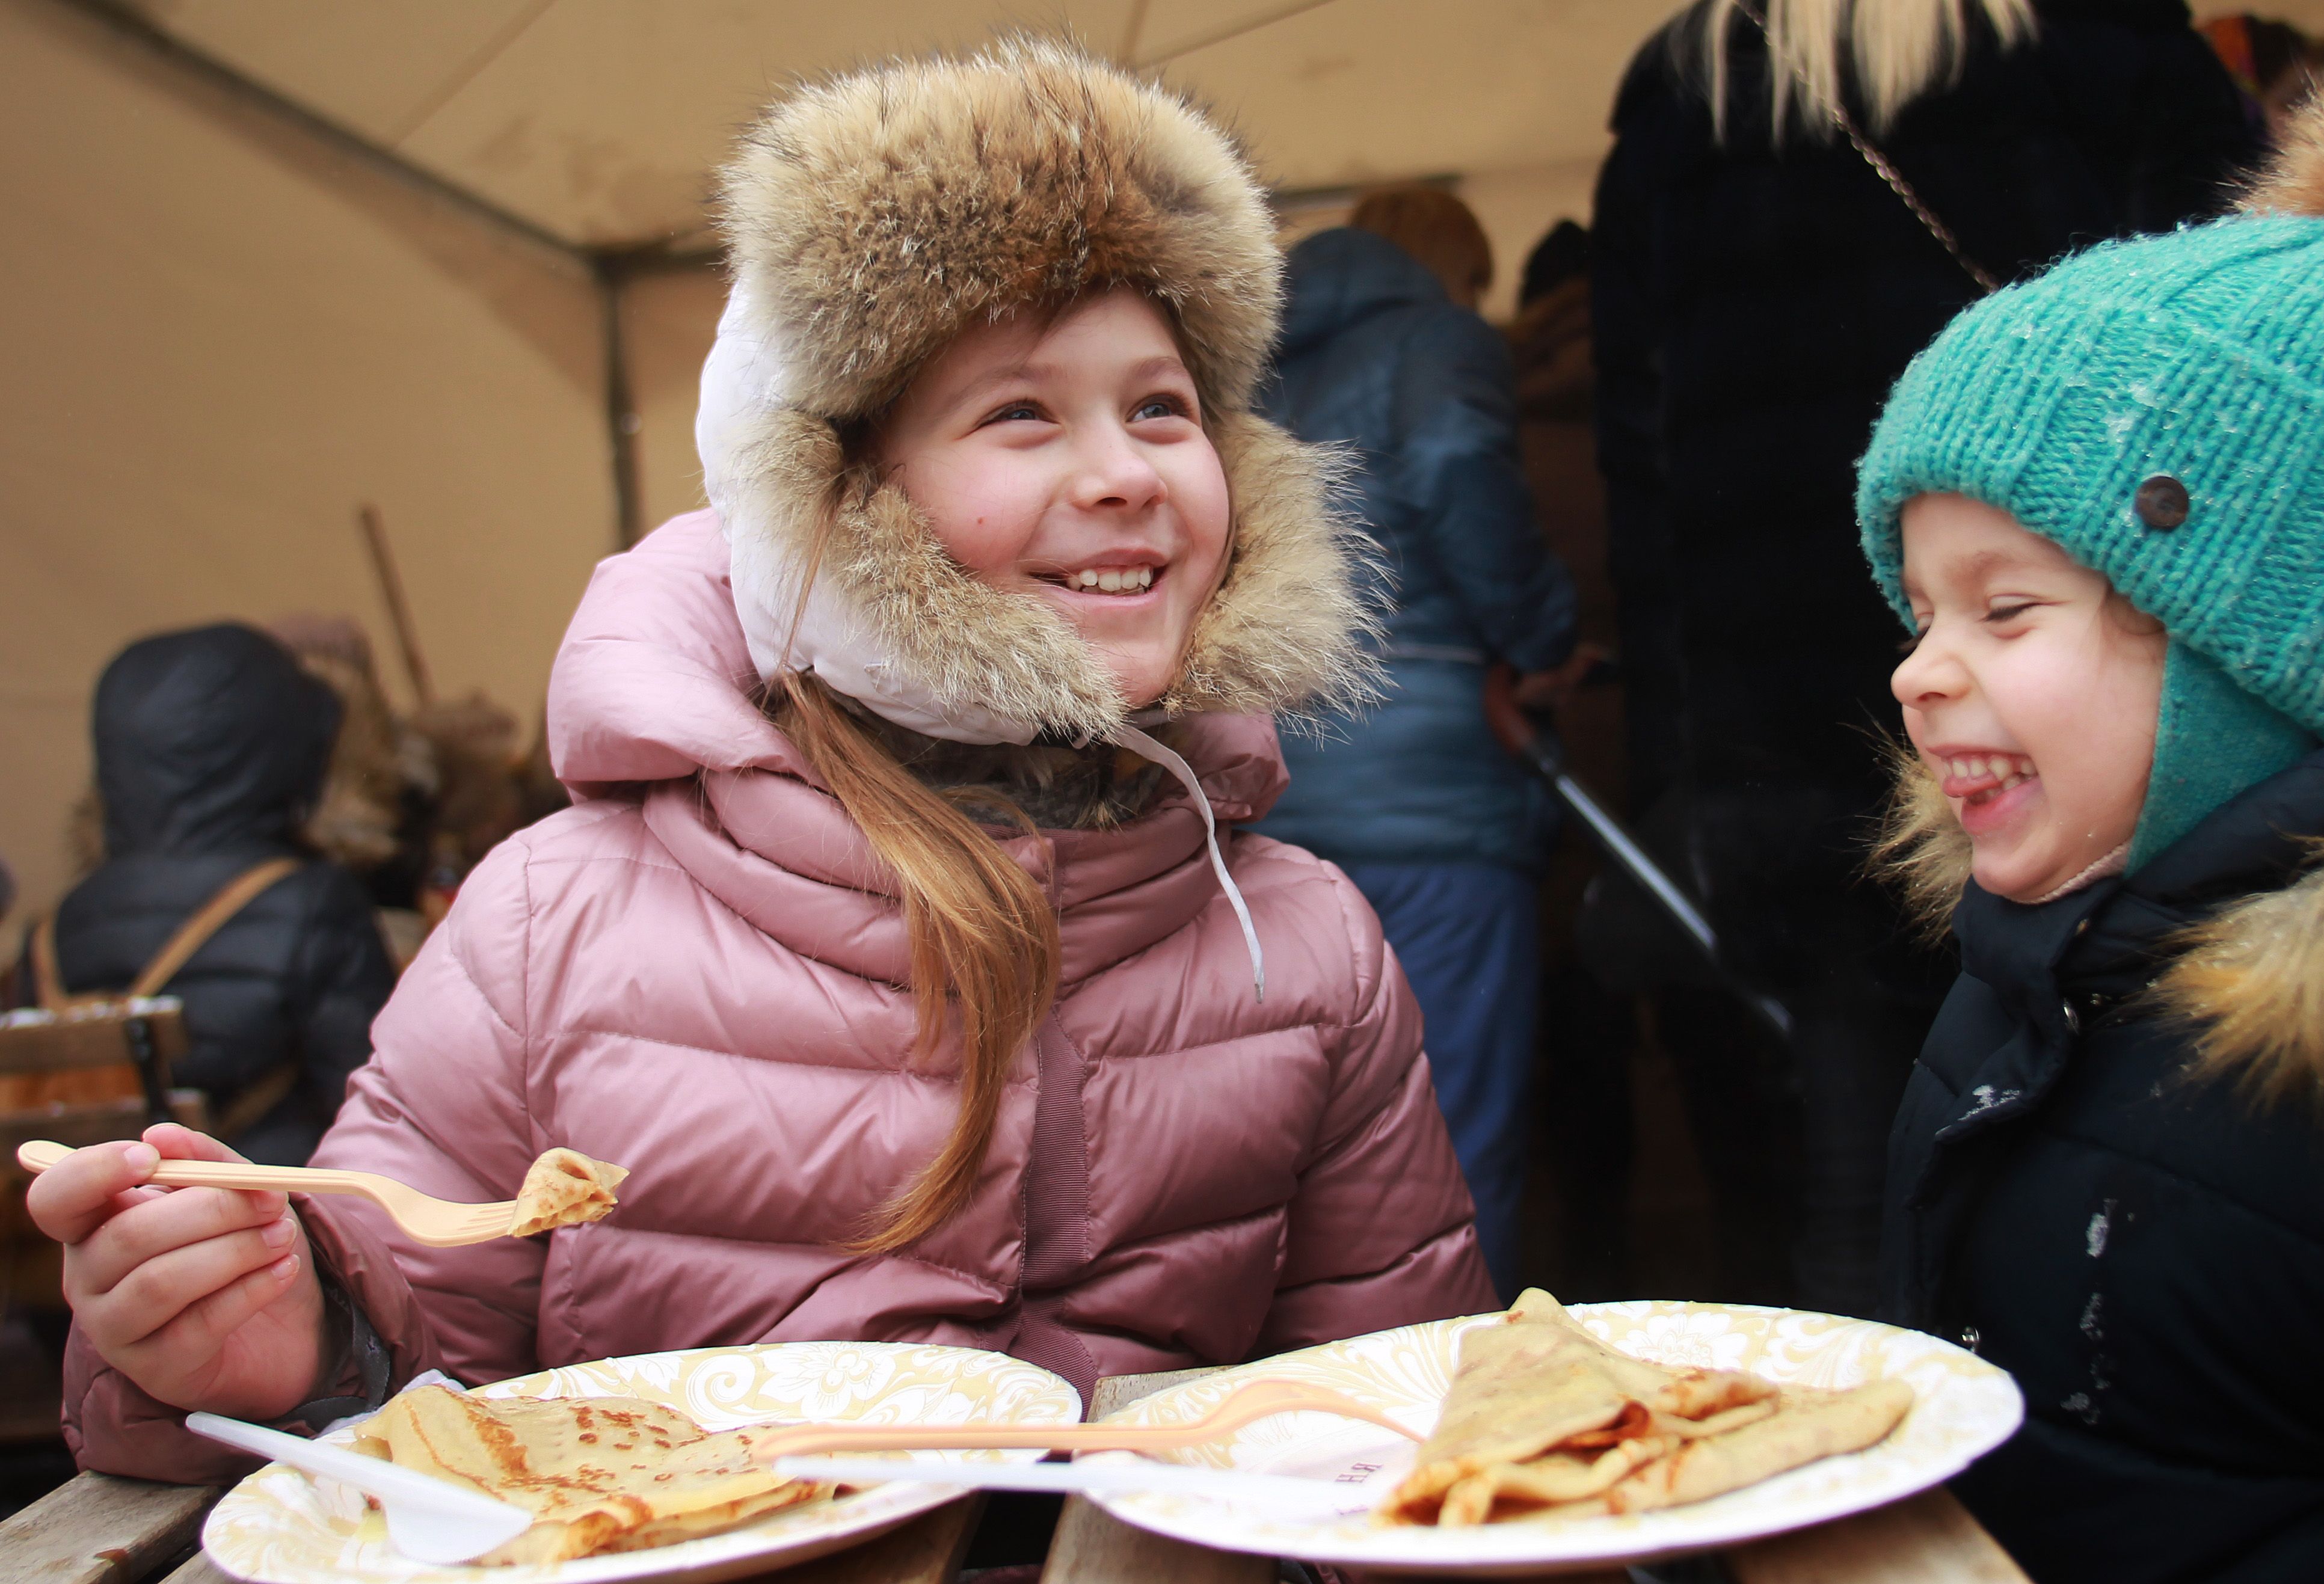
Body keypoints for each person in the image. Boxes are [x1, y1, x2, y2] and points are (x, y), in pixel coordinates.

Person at [29, 40, 1494, 1484]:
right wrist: (280, 1348)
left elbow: (1407, 1414)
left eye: (1162, 407)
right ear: (833, 499)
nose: (1123, 472)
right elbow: (413, 1393)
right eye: (1021, 412)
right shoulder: (554, 923)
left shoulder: (1301, 940)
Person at [1858, 41, 2324, 1580]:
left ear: (2268, 658)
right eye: (1919, 609)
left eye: (2006, 609)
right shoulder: (2033, 969)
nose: (1921, 672)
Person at [1588, 0, 2261, 1314]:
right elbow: (2233, 410)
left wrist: (1689, 776)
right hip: (2099, 725)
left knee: (1863, 1181)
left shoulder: (1689, 99)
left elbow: (1645, 492)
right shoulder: (2100, 51)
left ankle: (1855, 1502)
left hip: (1780, 750)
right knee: (2172, 1177)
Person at [1250, 186, 1580, 1298]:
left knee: (1302, 1143)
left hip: (1274, 804)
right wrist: (1540, 637)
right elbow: (1454, 464)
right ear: (1455, 271)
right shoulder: (1436, 340)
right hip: (1435, 803)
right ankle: (1466, 1402)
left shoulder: (1243, 377)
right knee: (1451, 1130)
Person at [26, 625, 393, 1167]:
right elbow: (383, 1105)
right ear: (283, 747)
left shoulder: (55, 927)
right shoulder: (314, 903)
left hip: (96, 1222)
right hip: (266, 1219)